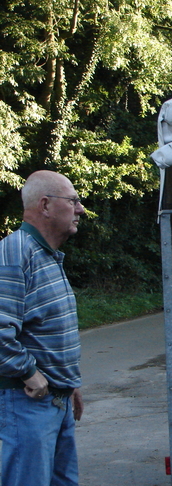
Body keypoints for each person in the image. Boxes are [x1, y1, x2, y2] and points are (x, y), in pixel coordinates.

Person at [0, 170, 85, 486]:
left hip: (55, 399)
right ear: (46, 205)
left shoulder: (47, 255)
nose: (80, 209)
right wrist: (28, 372)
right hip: (28, 401)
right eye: (73, 201)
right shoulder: (15, 252)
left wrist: (69, 382)